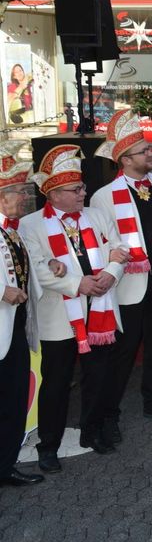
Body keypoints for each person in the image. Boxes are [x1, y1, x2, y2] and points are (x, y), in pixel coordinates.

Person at [23, 145, 127, 471]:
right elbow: (37, 269)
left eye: (82, 187)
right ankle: (48, 446)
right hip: (59, 319)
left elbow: (119, 248)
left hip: (100, 310)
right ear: (54, 194)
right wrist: (77, 284)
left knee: (98, 377)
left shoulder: (96, 214)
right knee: (56, 383)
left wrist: (109, 275)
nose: (84, 193)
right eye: (76, 189)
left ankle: (92, 431)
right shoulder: (31, 225)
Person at [91, 110, 152, 436]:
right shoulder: (104, 197)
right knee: (124, 350)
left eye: (149, 149)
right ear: (126, 159)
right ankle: (108, 415)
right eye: (145, 151)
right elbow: (105, 243)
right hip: (130, 284)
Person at [0, 142, 41, 486]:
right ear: (2, 197)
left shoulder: (15, 229)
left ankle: (6, 465)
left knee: (14, 401)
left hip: (16, 327)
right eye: (18, 193)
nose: (25, 198)